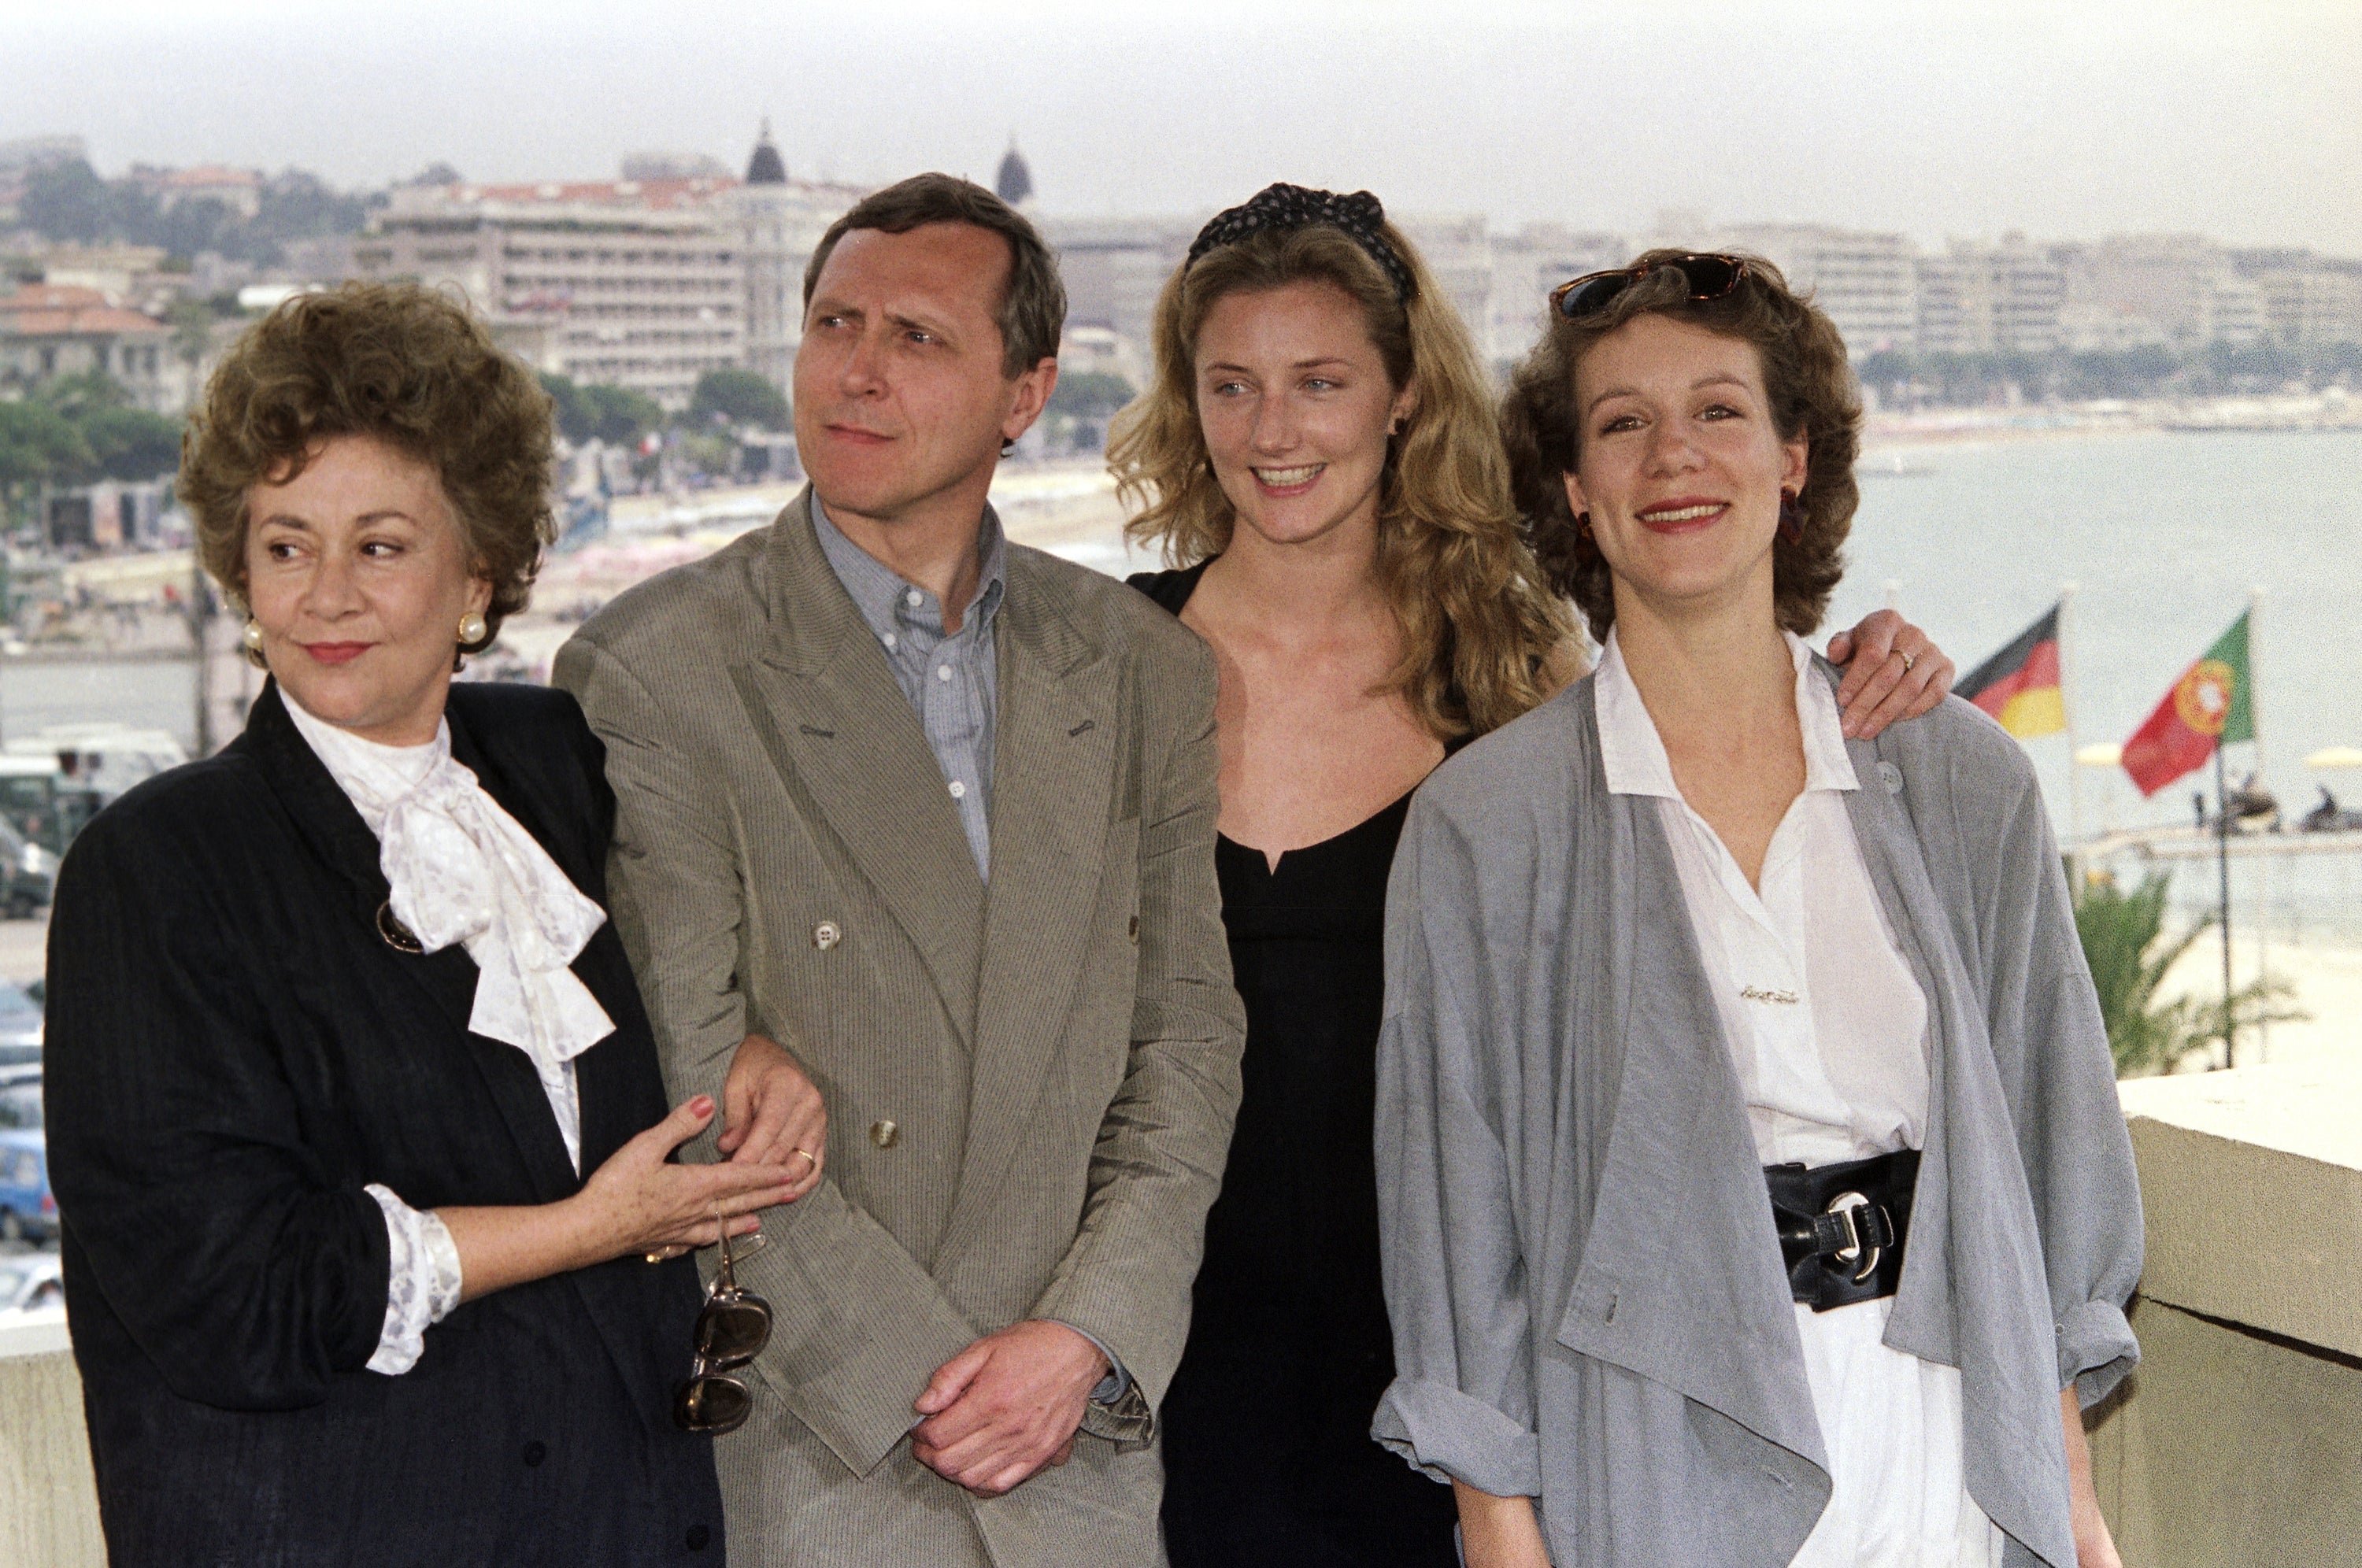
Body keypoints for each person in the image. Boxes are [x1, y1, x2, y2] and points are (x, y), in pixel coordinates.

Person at [1109, 188, 1957, 1567]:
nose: (1274, 431)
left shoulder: (1512, 682)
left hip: (1456, 1371)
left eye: (1320, 381)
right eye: (1232, 386)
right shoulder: (1100, 671)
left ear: (1403, 396)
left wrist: (1873, 670)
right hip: (1154, 1358)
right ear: (1186, 403)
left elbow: (1716, 751)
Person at [1375, 252, 2142, 1568]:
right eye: (1624, 423)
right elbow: (1457, 1221)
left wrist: (2071, 1503)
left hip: (1949, 1440)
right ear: (1575, 486)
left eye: (1720, 410)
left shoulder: (1960, 780)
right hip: (1656, 1446)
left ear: (1794, 460)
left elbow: (2051, 1145)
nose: (1674, 455)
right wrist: (1500, 1533)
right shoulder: (1486, 828)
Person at [43, 282, 827, 1566]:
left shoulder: (555, 765)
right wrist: (595, 1229)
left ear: (479, 571)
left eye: (381, 546)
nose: (325, 597)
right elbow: (234, 1299)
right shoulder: (155, 867)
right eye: (286, 546)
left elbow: (689, 948)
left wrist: (744, 1039)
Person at [552, 173, 1246, 1567]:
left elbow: (1186, 1046)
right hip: (811, 1457)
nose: (855, 373)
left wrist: (1084, 1338)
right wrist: (927, 1387)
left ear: (1024, 392)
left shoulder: (1142, 672)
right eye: (833, 324)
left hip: (1076, 1460)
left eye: (916, 337)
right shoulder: (656, 670)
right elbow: (691, 1074)